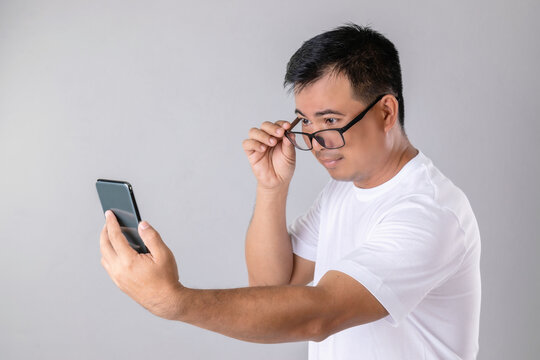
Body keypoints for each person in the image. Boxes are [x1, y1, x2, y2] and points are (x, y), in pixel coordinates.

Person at [100, 24, 481, 359]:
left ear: (385, 112)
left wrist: (174, 302)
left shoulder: (429, 212)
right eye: (307, 124)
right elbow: (270, 286)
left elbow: (321, 314)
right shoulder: (343, 191)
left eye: (330, 120)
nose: (316, 143)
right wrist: (271, 187)